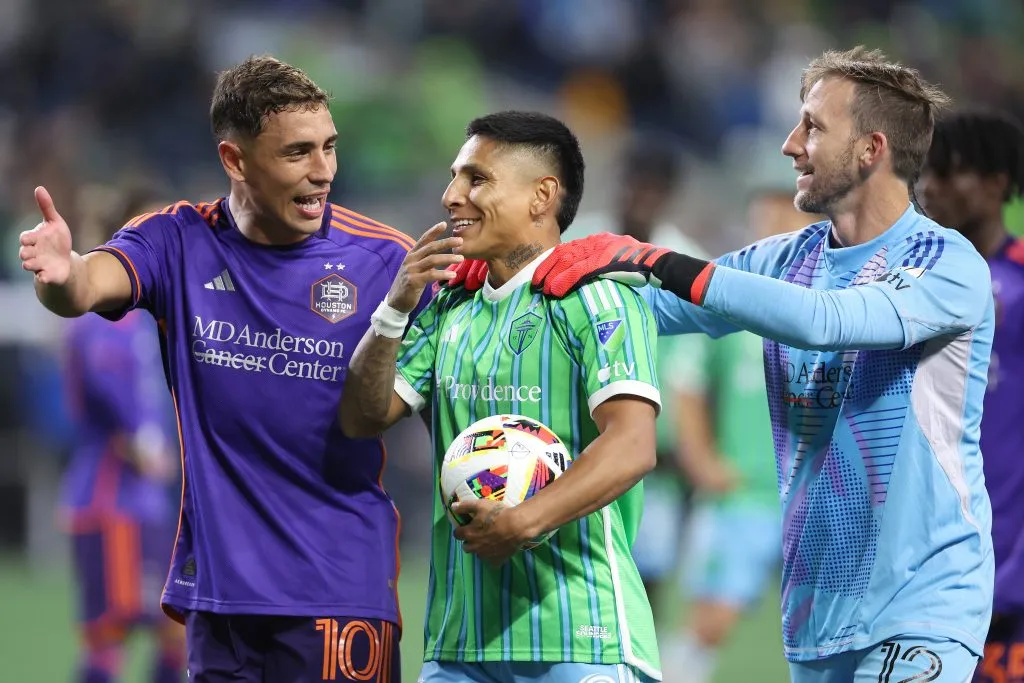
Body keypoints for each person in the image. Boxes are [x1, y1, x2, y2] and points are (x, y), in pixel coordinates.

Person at [451, 47, 995, 682]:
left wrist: (657, 260)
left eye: (813, 127)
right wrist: (511, 272)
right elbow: (647, 308)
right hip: (818, 605)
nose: (791, 145)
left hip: (925, 600)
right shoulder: (786, 257)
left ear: (872, 149)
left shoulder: (946, 263)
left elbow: (829, 321)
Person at [19, 55, 422, 682]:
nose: (323, 173)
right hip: (219, 602)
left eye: (329, 148)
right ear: (234, 160)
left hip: (336, 593)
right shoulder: (176, 240)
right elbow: (86, 285)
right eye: (297, 154)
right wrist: (62, 274)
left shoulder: (384, 259)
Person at [339, 111, 664, 683]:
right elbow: (364, 416)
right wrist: (394, 309)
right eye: (454, 178)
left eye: (476, 179)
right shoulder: (447, 305)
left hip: (582, 638)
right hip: (459, 641)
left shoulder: (597, 300)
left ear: (542, 196)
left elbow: (633, 446)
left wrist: (523, 523)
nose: (451, 196)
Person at [663, 189, 816, 683]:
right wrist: (701, 458)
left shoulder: (828, 299)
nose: (770, 224)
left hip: (814, 497)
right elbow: (686, 382)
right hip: (746, 490)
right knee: (713, 620)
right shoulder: (731, 296)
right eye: (763, 215)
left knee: (823, 631)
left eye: (782, 213)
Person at [567, 137, 711, 620]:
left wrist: (689, 451)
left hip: (654, 452)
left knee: (643, 580)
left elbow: (687, 371)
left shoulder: (684, 260)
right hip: (575, 431)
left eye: (653, 189)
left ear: (668, 194)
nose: (641, 197)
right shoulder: (577, 243)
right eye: (635, 185)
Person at [59, 187, 184, 683]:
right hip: (111, 499)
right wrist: (141, 445)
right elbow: (106, 393)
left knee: (176, 633)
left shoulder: (149, 320)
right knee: (110, 638)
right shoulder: (104, 320)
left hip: (146, 502)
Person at [916, 108, 1024, 683]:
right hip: (928, 565)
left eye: (949, 172)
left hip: (1008, 565)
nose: (930, 187)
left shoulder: (1021, 284)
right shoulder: (909, 288)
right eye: (925, 172)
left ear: (996, 183)